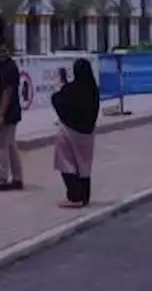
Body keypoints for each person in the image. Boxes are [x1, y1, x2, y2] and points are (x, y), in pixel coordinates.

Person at [51, 59, 100, 208]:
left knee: (66, 162)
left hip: (69, 131)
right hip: (88, 133)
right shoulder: (93, 89)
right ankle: (84, 196)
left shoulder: (71, 89)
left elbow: (57, 100)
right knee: (84, 165)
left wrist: (60, 87)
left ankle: (74, 196)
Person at [0, 38, 24, 191]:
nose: (1, 54)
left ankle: (2, 178)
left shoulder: (9, 68)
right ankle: (17, 178)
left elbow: (7, 92)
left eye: (4, 51)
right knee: (10, 146)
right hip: (10, 111)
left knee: (2, 146)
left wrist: (1, 114)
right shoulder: (3, 66)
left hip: (7, 113)